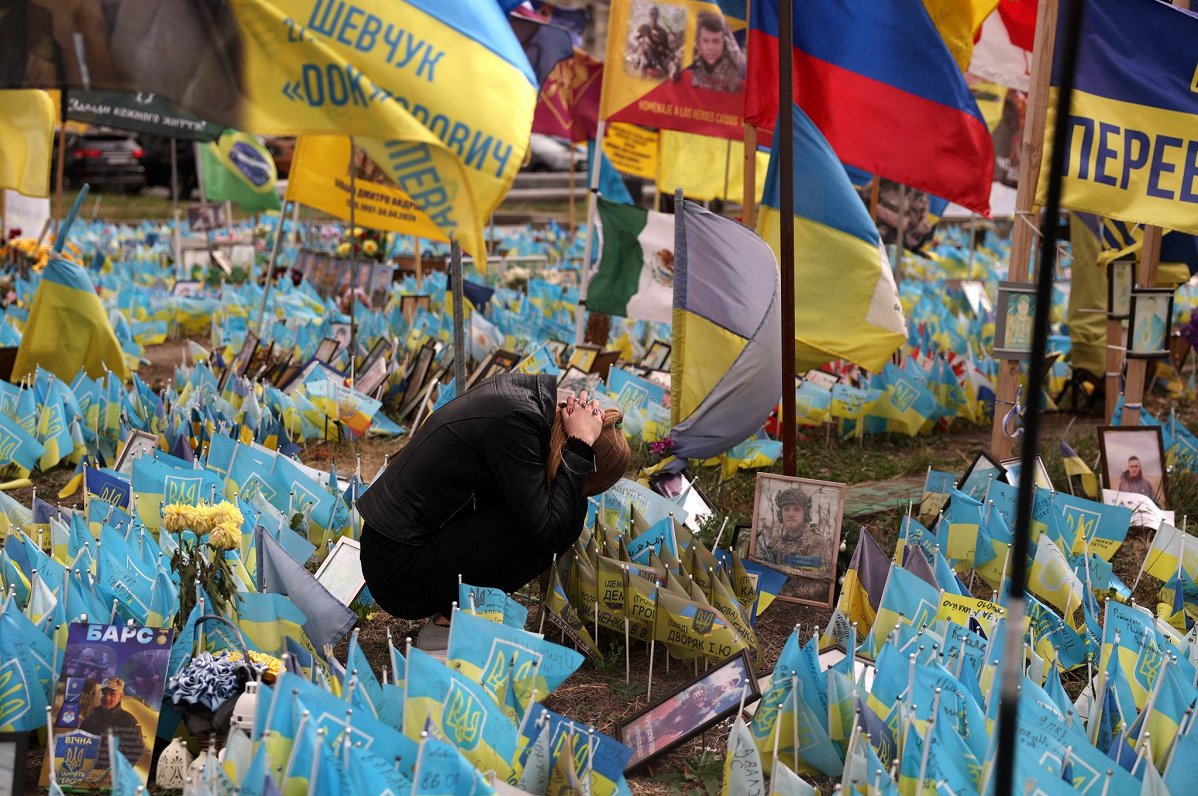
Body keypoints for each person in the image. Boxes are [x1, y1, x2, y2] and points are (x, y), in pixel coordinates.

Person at [358, 373, 630, 654]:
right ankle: (448, 624)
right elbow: (549, 531)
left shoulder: (528, 407)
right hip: (398, 570)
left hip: (405, 547)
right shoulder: (516, 425)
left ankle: (453, 611)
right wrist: (580, 448)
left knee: (559, 508)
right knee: (565, 517)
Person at [79, 678, 144, 765]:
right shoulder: (90, 717)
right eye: (104, 693)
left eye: (112, 694)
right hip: (87, 769)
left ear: (120, 696)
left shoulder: (129, 722)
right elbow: (79, 742)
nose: (107, 697)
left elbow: (136, 751)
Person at [684, 12, 744, 93]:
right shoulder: (690, 62)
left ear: (724, 43)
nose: (710, 48)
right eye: (705, 41)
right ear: (699, 42)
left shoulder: (735, 66)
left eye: (716, 41)